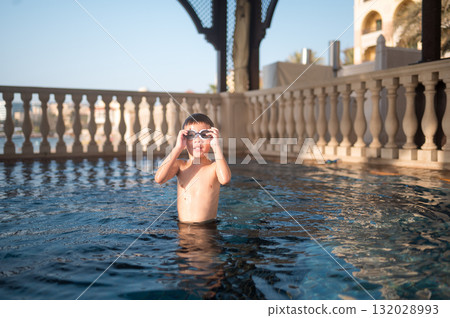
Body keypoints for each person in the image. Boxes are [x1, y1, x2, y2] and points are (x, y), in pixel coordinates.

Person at [154, 113, 231, 224]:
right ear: (184, 140)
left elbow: (225, 179)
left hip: (207, 230)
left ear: (212, 138)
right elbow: (159, 179)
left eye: (204, 134)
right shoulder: (181, 166)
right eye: (191, 135)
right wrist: (177, 148)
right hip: (183, 229)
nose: (197, 140)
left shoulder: (213, 167)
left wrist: (216, 146)